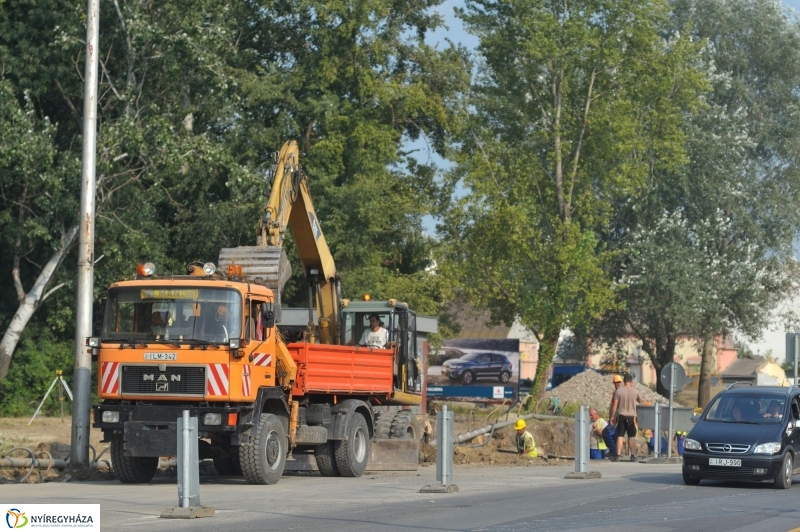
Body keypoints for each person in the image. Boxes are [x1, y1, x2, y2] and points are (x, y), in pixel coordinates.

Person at [609, 373, 642, 462]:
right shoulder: (635, 391)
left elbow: (614, 406)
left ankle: (618, 455)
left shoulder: (618, 391)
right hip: (632, 417)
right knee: (631, 436)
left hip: (621, 416)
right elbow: (640, 401)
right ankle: (632, 455)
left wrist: (612, 416)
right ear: (631, 381)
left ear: (624, 381)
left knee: (620, 435)